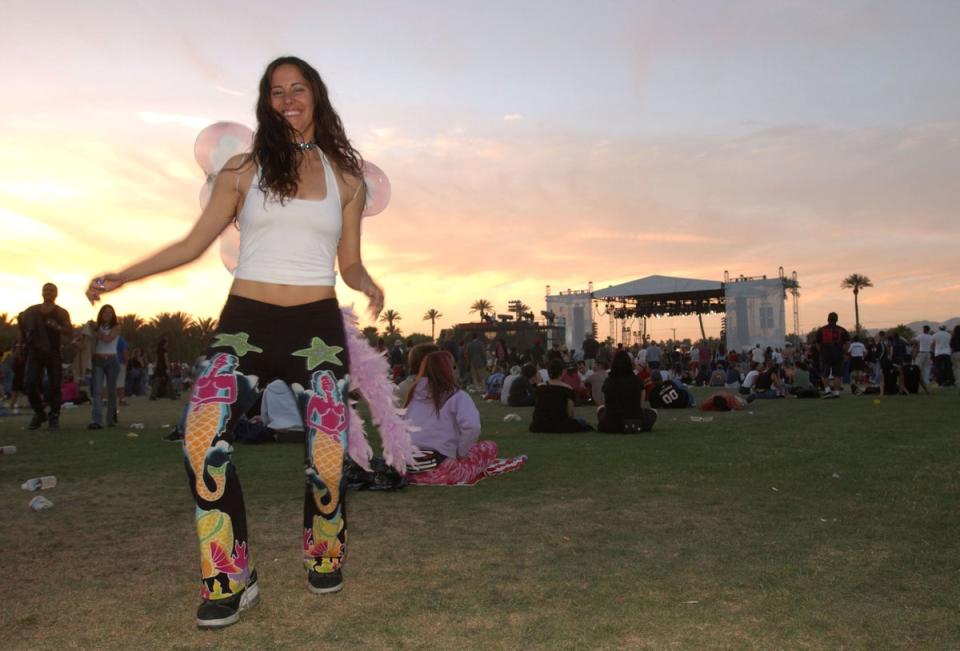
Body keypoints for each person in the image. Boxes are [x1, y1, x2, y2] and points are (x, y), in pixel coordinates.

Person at [85, 56, 385, 629]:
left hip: (315, 330)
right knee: (200, 440)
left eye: (298, 88)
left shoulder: (348, 180)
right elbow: (192, 243)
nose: (288, 99)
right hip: (245, 324)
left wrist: (365, 280)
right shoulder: (242, 171)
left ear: (316, 96)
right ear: (265, 102)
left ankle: (324, 553)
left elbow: (349, 260)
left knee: (328, 454)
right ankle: (230, 577)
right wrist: (126, 274)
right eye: (277, 91)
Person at [403, 352, 525, 485]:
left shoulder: (413, 395)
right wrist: (461, 454)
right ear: (449, 370)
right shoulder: (457, 396)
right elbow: (472, 427)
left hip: (410, 471)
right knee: (490, 446)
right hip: (444, 472)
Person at [18, 283, 72, 430]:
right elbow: (23, 328)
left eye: (51, 290)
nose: (48, 292)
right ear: (42, 293)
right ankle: (39, 412)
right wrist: (20, 346)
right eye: (46, 290)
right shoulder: (31, 311)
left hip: (53, 352)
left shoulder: (61, 312)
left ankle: (54, 417)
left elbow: (69, 331)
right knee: (29, 383)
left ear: (56, 294)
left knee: (55, 385)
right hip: (34, 352)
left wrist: (56, 326)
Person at [597, 351, 656, 433]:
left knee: (600, 408)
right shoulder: (637, 380)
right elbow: (640, 404)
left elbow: (605, 402)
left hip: (611, 424)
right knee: (653, 412)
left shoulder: (608, 381)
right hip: (634, 422)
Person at [529, 358, 593, 433]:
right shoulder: (567, 389)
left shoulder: (540, 388)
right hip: (559, 425)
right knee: (581, 421)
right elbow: (570, 414)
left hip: (539, 425)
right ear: (562, 372)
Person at [88, 304, 121, 430]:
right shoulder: (95, 327)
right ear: (101, 314)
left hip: (112, 360)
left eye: (110, 312)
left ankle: (110, 419)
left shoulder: (117, 327)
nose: (107, 314)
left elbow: (108, 339)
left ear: (113, 315)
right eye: (105, 312)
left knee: (112, 391)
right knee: (97, 391)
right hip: (98, 361)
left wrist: (97, 330)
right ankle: (97, 420)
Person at [815, 312, 850, 399]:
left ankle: (827, 391)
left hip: (826, 354)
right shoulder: (842, 330)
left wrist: (821, 352)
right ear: (837, 320)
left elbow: (817, 343)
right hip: (838, 354)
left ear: (828, 319)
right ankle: (836, 392)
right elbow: (847, 343)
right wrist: (845, 353)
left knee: (824, 374)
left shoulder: (821, 330)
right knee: (837, 374)